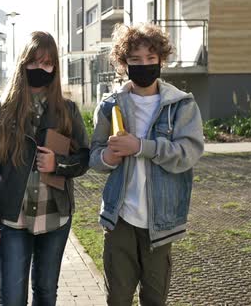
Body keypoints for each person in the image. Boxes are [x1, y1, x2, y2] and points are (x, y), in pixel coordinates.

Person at [89, 23, 204, 305]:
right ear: (123, 63)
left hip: (160, 220)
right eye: (135, 60)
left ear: (161, 60)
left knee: (154, 298)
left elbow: (189, 152)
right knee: (117, 297)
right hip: (120, 218)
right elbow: (94, 155)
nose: (144, 65)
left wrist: (140, 147)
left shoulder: (180, 104)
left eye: (151, 59)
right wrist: (108, 157)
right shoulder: (109, 105)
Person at [0, 31, 90, 305]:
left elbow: (85, 157)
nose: (41, 69)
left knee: (46, 292)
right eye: (35, 62)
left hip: (55, 218)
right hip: (12, 220)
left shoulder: (68, 110)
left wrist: (58, 164)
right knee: (13, 299)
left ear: (55, 68)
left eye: (48, 63)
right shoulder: (0, 110)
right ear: (22, 63)